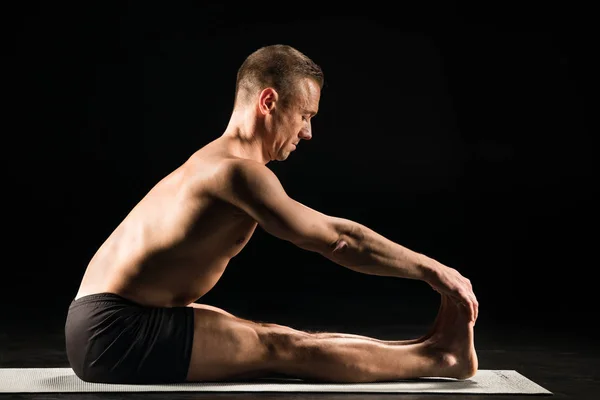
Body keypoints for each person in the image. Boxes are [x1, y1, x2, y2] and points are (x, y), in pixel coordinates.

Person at [65, 44, 479, 385]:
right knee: (281, 350)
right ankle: (441, 360)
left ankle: (435, 348)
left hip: (106, 320)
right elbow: (340, 240)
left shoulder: (213, 160)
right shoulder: (238, 173)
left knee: (278, 336)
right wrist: (434, 270)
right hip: (114, 333)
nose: (307, 132)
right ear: (268, 100)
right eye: (305, 115)